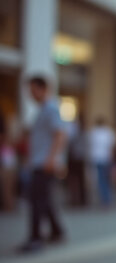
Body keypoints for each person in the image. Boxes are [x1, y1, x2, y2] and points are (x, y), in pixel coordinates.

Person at [17, 75, 67, 253]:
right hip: (40, 162)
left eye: (32, 90)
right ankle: (57, 231)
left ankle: (35, 237)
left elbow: (60, 134)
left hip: (44, 163)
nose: (30, 94)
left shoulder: (50, 109)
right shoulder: (43, 110)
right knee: (43, 199)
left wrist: (51, 159)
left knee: (36, 200)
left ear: (42, 89)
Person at [88, 117, 115, 207]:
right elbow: (111, 147)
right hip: (105, 159)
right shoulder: (108, 132)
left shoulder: (94, 132)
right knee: (105, 180)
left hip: (98, 158)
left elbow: (91, 146)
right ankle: (106, 199)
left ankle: (105, 199)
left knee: (101, 180)